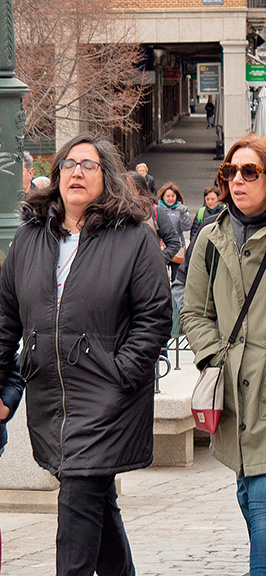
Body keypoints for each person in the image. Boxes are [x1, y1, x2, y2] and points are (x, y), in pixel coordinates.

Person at [0, 132, 173, 576]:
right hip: (50, 399)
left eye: (89, 165)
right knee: (95, 499)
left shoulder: (133, 238)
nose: (76, 172)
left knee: (77, 502)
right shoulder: (29, 239)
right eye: (68, 164)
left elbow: (154, 317)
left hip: (106, 397)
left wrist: (121, 376)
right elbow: (5, 318)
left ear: (106, 177)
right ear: (56, 176)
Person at [181, 135, 266, 576]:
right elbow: (193, 312)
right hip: (232, 392)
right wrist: (216, 358)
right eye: (229, 172)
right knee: (250, 496)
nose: (236, 180)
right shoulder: (211, 238)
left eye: (249, 172)